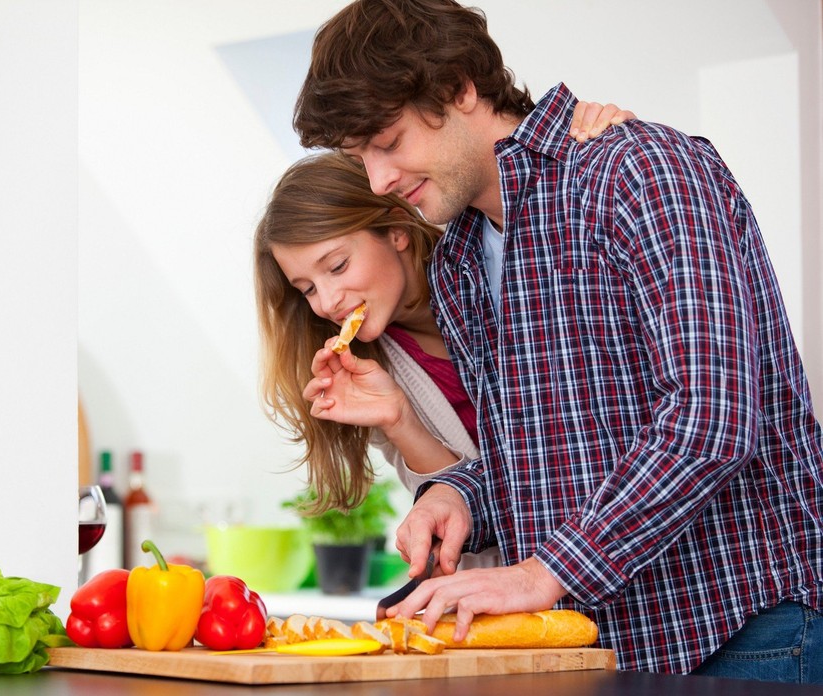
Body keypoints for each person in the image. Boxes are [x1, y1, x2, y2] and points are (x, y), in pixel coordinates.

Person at [291, 0, 823, 681]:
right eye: (359, 156)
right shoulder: (458, 259)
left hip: (747, 634)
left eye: (388, 141)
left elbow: (710, 418)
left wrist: (545, 573)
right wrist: (459, 495)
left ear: (459, 87)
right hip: (604, 649)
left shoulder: (637, 172)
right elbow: (541, 456)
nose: (379, 181)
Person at [256, 105, 633, 570]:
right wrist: (398, 420)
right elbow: (467, 510)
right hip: (518, 578)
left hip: (616, 549)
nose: (328, 300)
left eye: (337, 266)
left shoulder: (489, 268)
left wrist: (591, 125)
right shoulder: (369, 370)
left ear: (395, 232)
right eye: (307, 289)